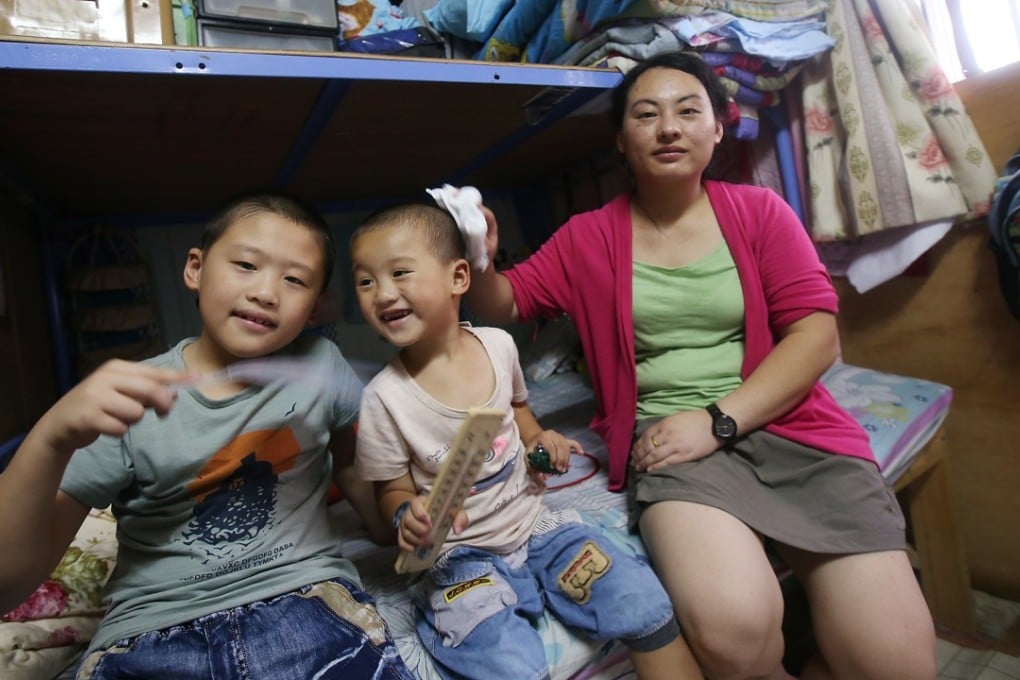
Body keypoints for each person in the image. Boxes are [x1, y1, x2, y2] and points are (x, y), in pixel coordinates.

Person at [464, 51, 938, 680]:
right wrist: (482, 259)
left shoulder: (761, 212)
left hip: (788, 429)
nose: (668, 127)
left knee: (897, 666)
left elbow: (816, 336)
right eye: (646, 114)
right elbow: (507, 304)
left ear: (718, 128)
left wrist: (717, 420)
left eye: (689, 111)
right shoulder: (588, 237)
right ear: (622, 142)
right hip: (670, 447)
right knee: (737, 640)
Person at [0, 191, 414, 679]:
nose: (265, 291)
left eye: (295, 279)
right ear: (195, 269)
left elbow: (352, 462)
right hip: (152, 632)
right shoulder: (129, 396)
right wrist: (51, 437)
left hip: (304, 604)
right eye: (245, 264)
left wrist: (394, 521)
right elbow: (10, 583)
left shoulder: (323, 367)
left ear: (317, 305)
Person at [350, 203, 703, 680]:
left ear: (458, 277)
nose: (382, 293)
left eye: (399, 273)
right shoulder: (383, 399)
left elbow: (519, 417)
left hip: (536, 523)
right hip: (459, 554)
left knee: (638, 600)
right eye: (365, 281)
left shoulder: (499, 346)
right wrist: (405, 515)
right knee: (505, 662)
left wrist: (543, 444)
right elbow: (390, 490)